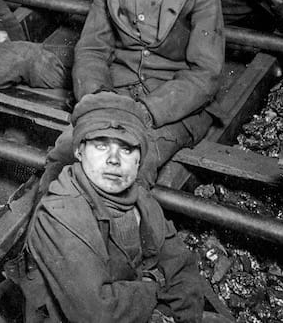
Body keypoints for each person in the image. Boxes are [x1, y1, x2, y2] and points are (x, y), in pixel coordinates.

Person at [70, 0, 223, 183]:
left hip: (176, 105)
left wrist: (148, 111)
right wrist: (98, 98)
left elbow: (206, 72)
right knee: (75, 151)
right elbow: (92, 49)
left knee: (136, 162)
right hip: (117, 92)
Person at [25, 93, 204, 323]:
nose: (114, 159)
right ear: (79, 151)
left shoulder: (141, 200)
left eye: (126, 150)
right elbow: (98, 313)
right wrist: (157, 287)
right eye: (101, 146)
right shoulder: (60, 213)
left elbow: (183, 268)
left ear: (139, 160)